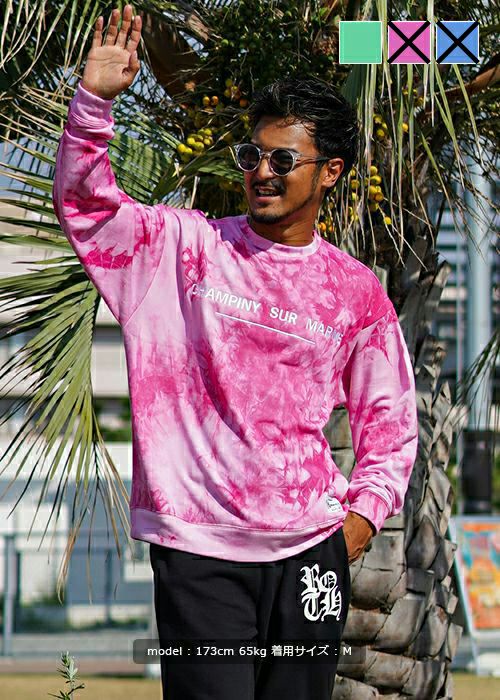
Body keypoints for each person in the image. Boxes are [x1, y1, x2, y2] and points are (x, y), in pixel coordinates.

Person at [52, 5, 418, 699]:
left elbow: (391, 423)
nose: (262, 172)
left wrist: (357, 524)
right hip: (200, 555)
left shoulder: (354, 291)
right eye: (252, 156)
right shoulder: (178, 251)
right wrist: (95, 101)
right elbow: (88, 207)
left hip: (312, 556)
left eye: (284, 160)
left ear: (331, 173)